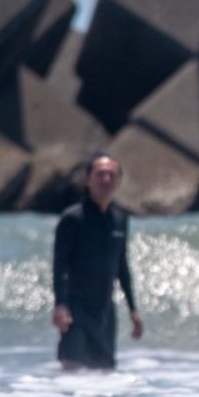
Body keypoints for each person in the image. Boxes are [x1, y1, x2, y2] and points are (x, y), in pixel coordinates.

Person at [52, 153, 143, 370]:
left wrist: (133, 309)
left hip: (105, 312)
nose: (106, 180)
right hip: (75, 310)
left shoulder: (120, 219)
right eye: (100, 174)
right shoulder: (72, 218)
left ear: (119, 181)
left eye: (112, 175)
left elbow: (122, 266)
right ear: (87, 179)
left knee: (105, 373)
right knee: (71, 369)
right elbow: (59, 265)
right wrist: (60, 305)